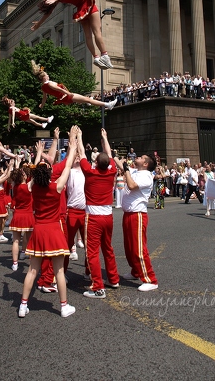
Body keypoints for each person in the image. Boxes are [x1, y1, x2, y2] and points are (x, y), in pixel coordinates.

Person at [19, 126, 78, 319]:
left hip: (38, 230)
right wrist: (73, 145)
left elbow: (35, 170)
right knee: (59, 271)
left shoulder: (33, 187)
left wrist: (38, 155)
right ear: (50, 173)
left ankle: (23, 305)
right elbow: (68, 165)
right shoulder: (57, 187)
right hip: (53, 230)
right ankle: (63, 306)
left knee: (32, 270)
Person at [77, 127, 119, 299]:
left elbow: (81, 153)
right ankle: (113, 279)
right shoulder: (112, 171)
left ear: (95, 163)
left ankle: (98, 287)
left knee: (92, 251)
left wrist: (79, 136)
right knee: (107, 248)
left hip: (93, 216)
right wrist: (105, 138)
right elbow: (109, 154)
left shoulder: (90, 172)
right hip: (108, 215)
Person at [32, 0, 113, 70]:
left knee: (88, 36)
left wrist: (39, 24)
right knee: (97, 32)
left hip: (80, 10)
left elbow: (48, 12)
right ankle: (104, 54)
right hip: (88, 4)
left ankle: (96, 57)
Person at [113, 152, 158, 291]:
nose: (137, 157)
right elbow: (118, 162)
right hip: (128, 214)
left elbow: (131, 185)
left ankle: (150, 279)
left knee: (139, 248)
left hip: (137, 215)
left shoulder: (147, 176)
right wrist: (109, 148)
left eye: (141, 157)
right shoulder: (135, 171)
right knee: (129, 247)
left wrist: (126, 169)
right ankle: (136, 271)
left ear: (145, 164)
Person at [31, 60, 118, 111]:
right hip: (66, 96)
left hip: (64, 98)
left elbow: (44, 98)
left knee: (87, 100)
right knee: (88, 99)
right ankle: (107, 105)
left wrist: (42, 105)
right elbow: (59, 89)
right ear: (43, 77)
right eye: (47, 75)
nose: (48, 75)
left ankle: (86, 103)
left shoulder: (43, 87)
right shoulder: (49, 83)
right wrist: (68, 93)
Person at [9, 163, 34, 271]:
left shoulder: (15, 186)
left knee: (16, 241)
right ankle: (31, 263)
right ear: (23, 176)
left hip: (18, 215)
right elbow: (35, 176)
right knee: (29, 240)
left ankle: (15, 263)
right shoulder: (28, 186)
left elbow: (14, 175)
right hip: (28, 215)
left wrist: (18, 163)